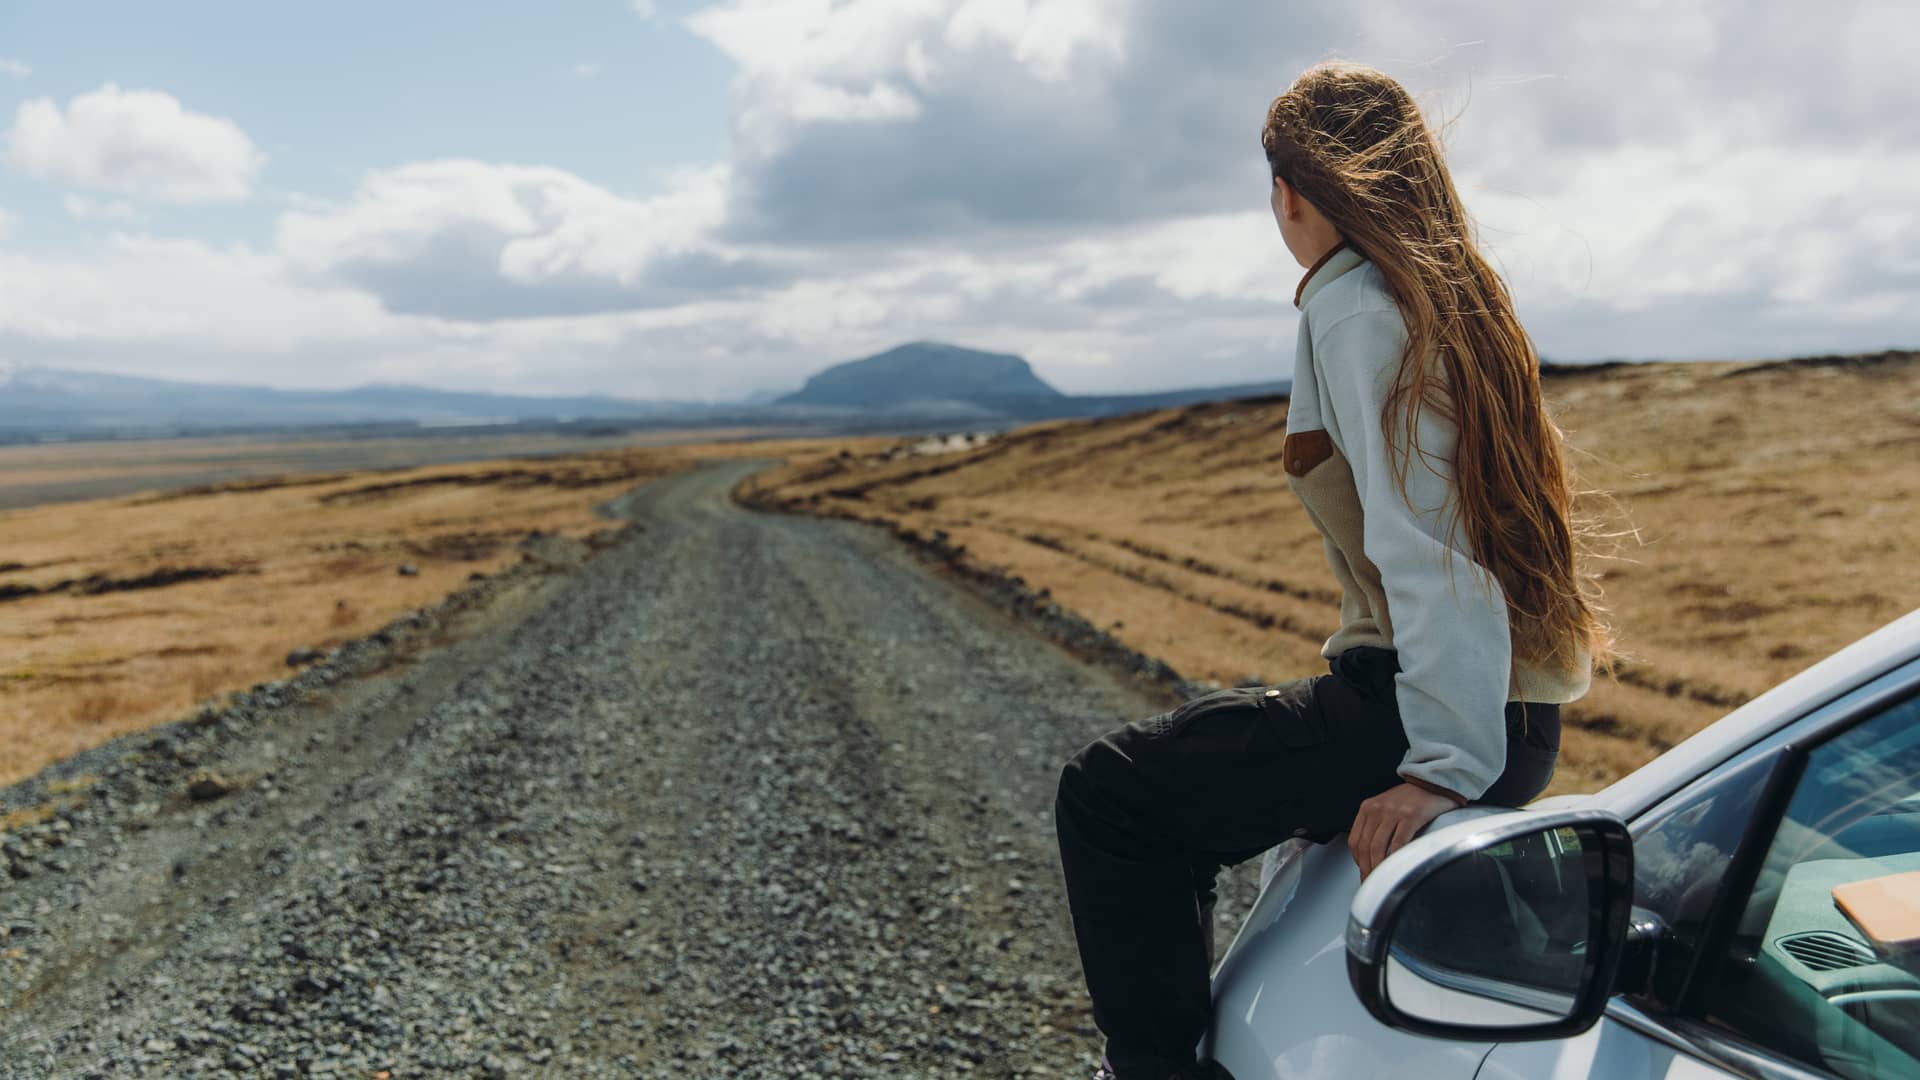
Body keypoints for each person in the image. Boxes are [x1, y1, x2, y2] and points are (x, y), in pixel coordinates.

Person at [1052, 60, 1618, 1080]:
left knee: (1112, 798)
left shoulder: (1359, 309)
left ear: (1291, 191)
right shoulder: (1452, 297)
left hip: (1433, 712)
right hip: (1493, 705)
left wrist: (1443, 773)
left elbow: (1430, 544)